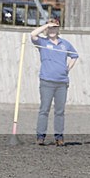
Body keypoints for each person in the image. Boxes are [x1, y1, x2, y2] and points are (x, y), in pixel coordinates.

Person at [31, 18, 78, 146]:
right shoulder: (42, 42)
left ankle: (59, 136)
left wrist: (67, 69)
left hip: (62, 82)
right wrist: (46, 25)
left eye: (55, 27)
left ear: (58, 29)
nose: (52, 30)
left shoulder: (65, 44)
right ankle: (40, 136)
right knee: (44, 109)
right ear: (47, 29)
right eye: (50, 28)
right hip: (47, 81)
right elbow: (33, 34)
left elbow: (74, 56)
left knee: (59, 111)